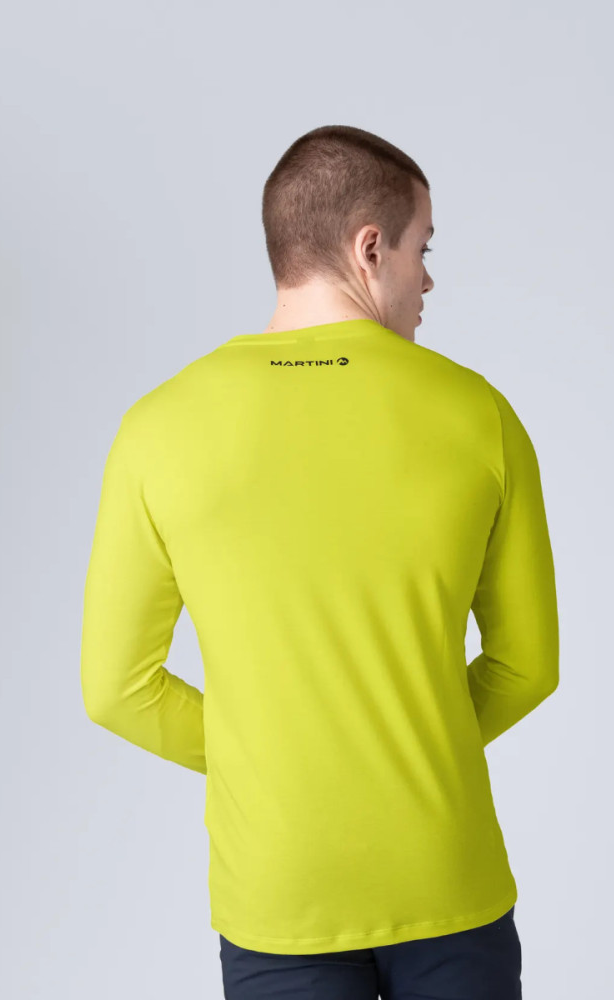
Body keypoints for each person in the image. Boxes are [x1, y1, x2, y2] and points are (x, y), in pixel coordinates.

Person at [80, 124, 559, 1000]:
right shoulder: (478, 415)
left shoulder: (158, 429)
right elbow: (527, 666)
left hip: (279, 891)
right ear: (369, 248)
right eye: (422, 248)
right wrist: (408, 742)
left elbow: (116, 688)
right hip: (446, 878)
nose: (428, 279)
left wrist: (271, 753)